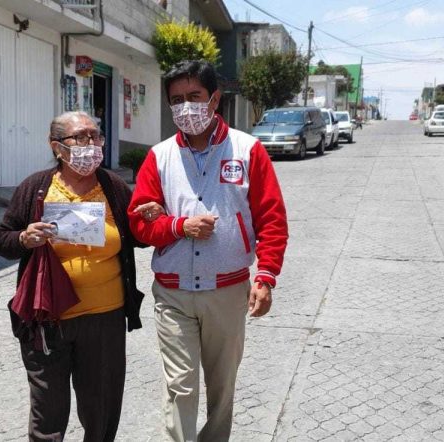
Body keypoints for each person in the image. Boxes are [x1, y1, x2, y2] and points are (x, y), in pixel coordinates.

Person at [128, 60, 289, 441]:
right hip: (173, 292)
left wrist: (265, 276)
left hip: (227, 291)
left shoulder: (248, 150)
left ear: (214, 99)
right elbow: (139, 222)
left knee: (222, 387)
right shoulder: (159, 157)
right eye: (177, 100)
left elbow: (272, 219)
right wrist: (176, 226)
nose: (186, 107)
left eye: (194, 97)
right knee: (180, 385)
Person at [0, 111, 157, 441]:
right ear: (57, 147)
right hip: (47, 318)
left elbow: (138, 237)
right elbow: (1, 239)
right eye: (81, 138)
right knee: (48, 414)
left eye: (97, 137)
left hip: (104, 320)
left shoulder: (113, 187)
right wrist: (24, 238)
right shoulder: (36, 188)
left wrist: (151, 218)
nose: (92, 145)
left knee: (101, 410)